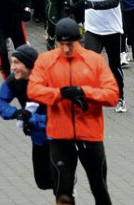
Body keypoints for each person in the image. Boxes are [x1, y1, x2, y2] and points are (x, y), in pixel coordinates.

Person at [28, 18, 119, 205]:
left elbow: (112, 95)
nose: (66, 49)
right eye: (61, 44)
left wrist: (84, 92)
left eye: (70, 44)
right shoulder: (46, 60)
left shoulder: (95, 61)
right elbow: (34, 90)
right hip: (60, 136)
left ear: (79, 41)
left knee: (99, 188)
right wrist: (59, 94)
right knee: (63, 193)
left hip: (90, 135)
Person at [0, 45, 52, 192]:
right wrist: (16, 113)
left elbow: (58, 116)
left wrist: (31, 118)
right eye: (12, 62)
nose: (12, 67)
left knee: (60, 183)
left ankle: (68, 182)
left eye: (16, 63)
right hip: (38, 138)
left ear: (29, 64)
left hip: (58, 139)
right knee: (42, 182)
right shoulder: (15, 80)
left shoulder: (49, 81)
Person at [77, 0, 126, 112]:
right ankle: (88, 97)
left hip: (112, 29)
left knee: (114, 65)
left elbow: (114, 1)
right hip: (93, 29)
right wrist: (76, 8)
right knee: (88, 64)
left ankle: (120, 97)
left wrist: (93, 5)